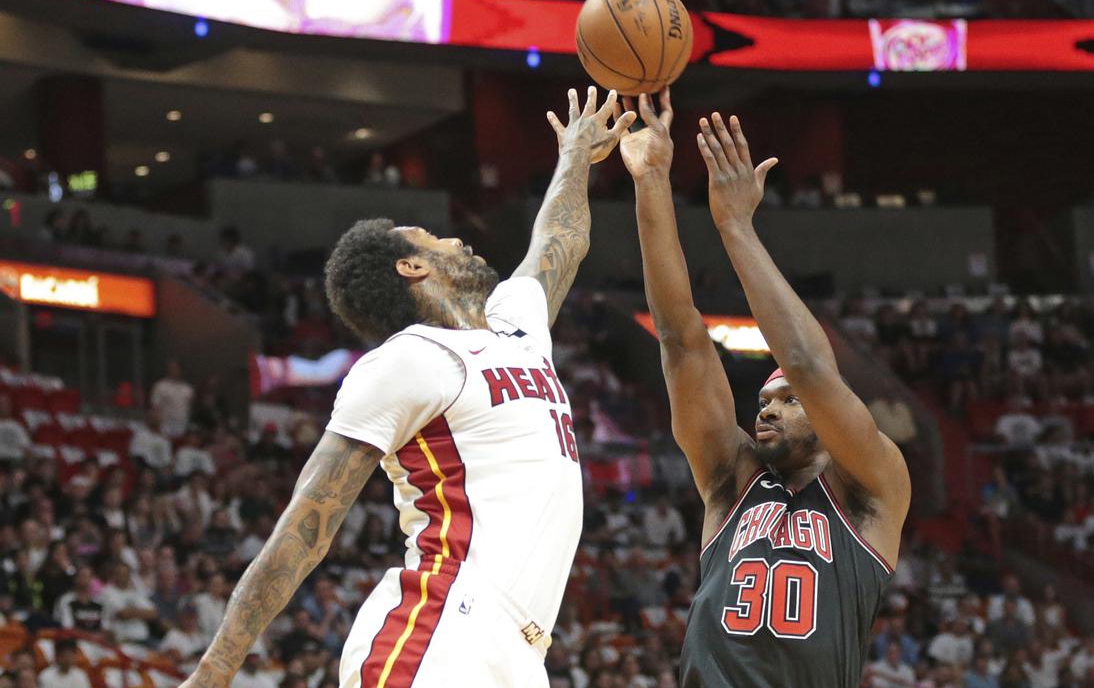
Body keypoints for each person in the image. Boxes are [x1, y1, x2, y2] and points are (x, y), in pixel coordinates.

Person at [182, 86, 634, 688]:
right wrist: (215, 671)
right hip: (440, 630)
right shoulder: (409, 360)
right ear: (411, 267)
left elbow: (560, 243)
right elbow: (305, 526)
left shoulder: (516, 327)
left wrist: (575, 156)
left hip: (520, 649)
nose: (458, 240)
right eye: (434, 238)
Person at [620, 94, 909, 688]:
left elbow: (806, 364)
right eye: (763, 404)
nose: (768, 411)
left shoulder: (872, 490)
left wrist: (734, 225)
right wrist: (651, 181)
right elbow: (680, 339)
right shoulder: (731, 480)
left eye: (787, 401)